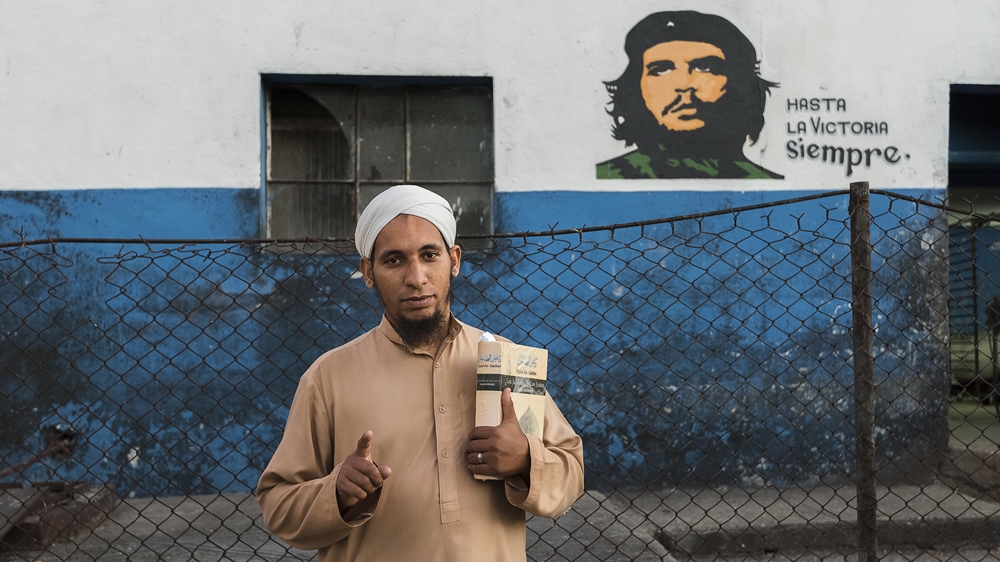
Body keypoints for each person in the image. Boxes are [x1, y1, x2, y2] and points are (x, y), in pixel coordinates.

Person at [256, 184, 585, 562]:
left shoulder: (506, 360)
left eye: (429, 255)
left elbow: (571, 470)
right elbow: (278, 504)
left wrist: (526, 459)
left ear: (454, 260)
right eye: (394, 260)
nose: (416, 277)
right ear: (368, 272)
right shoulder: (328, 377)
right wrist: (335, 493)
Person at [596, 11, 783, 179]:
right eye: (661, 69)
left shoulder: (766, 184)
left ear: (739, 83)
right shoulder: (609, 177)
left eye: (705, 67)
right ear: (635, 88)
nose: (684, 84)